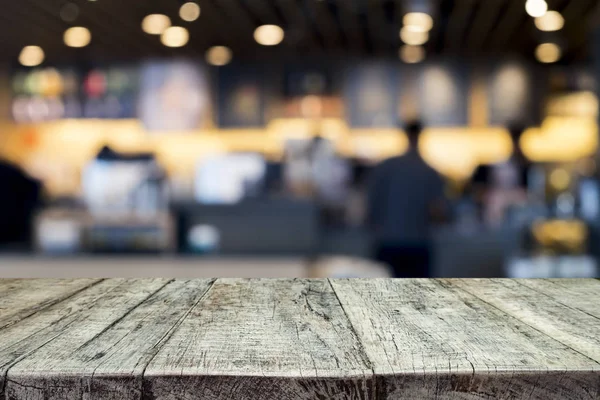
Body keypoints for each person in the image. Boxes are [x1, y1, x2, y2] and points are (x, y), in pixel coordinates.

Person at [366, 120, 446, 278]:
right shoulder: (429, 172)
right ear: (421, 136)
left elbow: (371, 205)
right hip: (418, 245)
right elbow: (438, 211)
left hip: (388, 242)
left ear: (405, 135)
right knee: (417, 297)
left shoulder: (386, 167)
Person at [0, 159, 42, 247]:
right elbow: (34, 188)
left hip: (12, 232)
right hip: (13, 233)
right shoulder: (9, 169)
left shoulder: (8, 170)